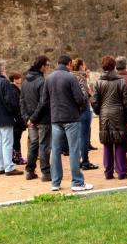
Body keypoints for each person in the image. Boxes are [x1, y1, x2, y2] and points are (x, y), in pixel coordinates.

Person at [30, 54, 93, 192]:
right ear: (69, 63)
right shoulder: (71, 77)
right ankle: (77, 181)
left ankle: (55, 182)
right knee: (74, 150)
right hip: (71, 118)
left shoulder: (49, 78)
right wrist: (86, 95)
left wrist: (33, 118)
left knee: (56, 150)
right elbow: (79, 99)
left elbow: (44, 102)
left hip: (56, 119)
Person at [91, 56, 127, 180]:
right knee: (120, 142)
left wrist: (100, 111)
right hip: (119, 114)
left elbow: (94, 101)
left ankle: (108, 172)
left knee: (107, 143)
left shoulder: (99, 82)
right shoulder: (120, 81)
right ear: (114, 66)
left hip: (105, 115)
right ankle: (121, 172)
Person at [20, 56, 52, 181]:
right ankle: (46, 173)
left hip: (31, 119)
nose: (48, 67)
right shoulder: (41, 81)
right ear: (42, 66)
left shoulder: (25, 81)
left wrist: (27, 118)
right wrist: (32, 118)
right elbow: (43, 102)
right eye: (47, 65)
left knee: (34, 144)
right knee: (43, 145)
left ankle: (30, 171)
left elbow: (21, 101)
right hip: (41, 119)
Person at [71, 58, 99, 171]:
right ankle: (85, 161)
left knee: (76, 137)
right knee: (84, 137)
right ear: (81, 66)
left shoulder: (70, 77)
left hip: (73, 111)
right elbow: (83, 94)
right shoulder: (81, 78)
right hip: (83, 110)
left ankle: (77, 161)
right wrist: (89, 94)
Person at [8, 71, 27, 166]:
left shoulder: (12, 89)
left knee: (15, 139)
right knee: (16, 139)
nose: (21, 79)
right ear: (15, 79)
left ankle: (15, 157)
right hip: (17, 119)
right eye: (19, 78)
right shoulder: (14, 90)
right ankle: (17, 158)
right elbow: (16, 105)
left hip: (15, 118)